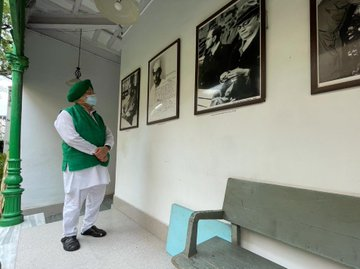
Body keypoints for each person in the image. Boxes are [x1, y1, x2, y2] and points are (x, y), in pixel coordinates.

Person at [54, 79, 114, 252]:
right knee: (74, 200)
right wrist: (96, 150)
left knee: (97, 197)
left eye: (92, 91)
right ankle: (69, 235)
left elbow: (109, 135)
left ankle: (88, 226)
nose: (92, 95)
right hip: (78, 165)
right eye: (88, 92)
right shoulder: (66, 114)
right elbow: (71, 138)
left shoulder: (97, 117)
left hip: (98, 165)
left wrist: (107, 148)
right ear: (79, 98)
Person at [211, 2, 260, 106]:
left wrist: (247, 72)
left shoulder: (261, 40)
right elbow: (233, 68)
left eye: (246, 23)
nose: (241, 29)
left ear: (258, 17)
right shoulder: (237, 45)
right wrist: (225, 75)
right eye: (239, 26)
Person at [317, 0, 360, 82]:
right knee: (329, 53)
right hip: (326, 22)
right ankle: (332, 82)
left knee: (336, 50)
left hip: (332, 19)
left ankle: (337, 80)